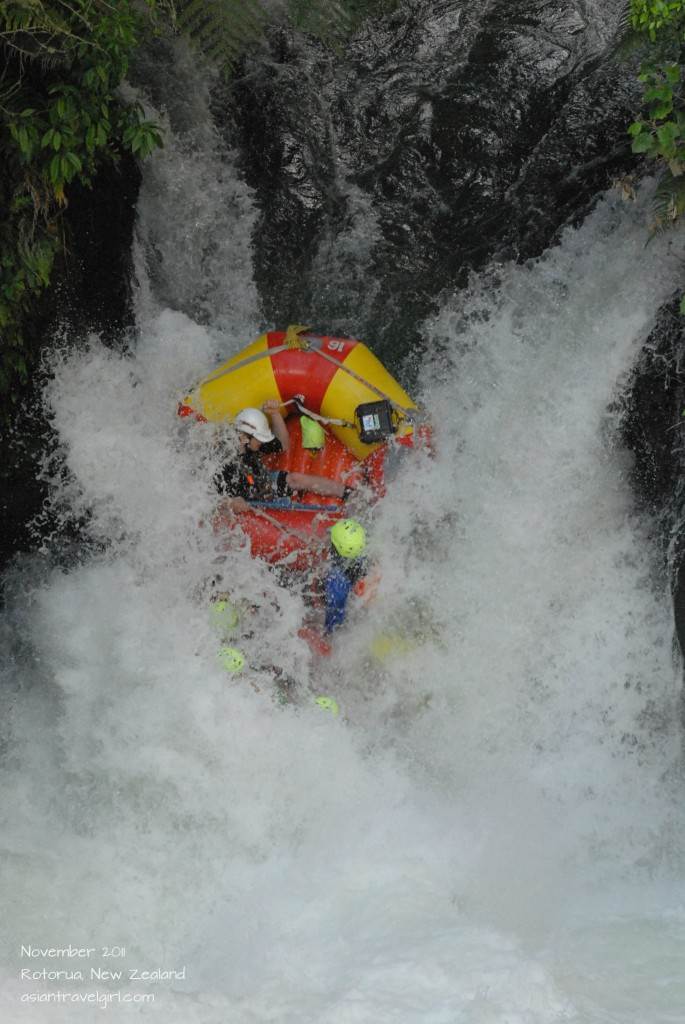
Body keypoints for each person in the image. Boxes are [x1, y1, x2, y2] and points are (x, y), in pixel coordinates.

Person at [215, 402, 351, 512]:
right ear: (244, 438)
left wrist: (275, 414)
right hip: (247, 500)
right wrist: (230, 502)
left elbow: (284, 445)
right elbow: (208, 498)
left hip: (260, 482)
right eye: (259, 439)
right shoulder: (225, 464)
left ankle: (347, 492)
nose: (262, 442)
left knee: (296, 479)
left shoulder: (251, 442)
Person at [323, 518, 370, 633]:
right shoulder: (363, 557)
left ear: (334, 550)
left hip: (341, 617)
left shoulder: (336, 581)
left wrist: (327, 632)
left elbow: (334, 617)